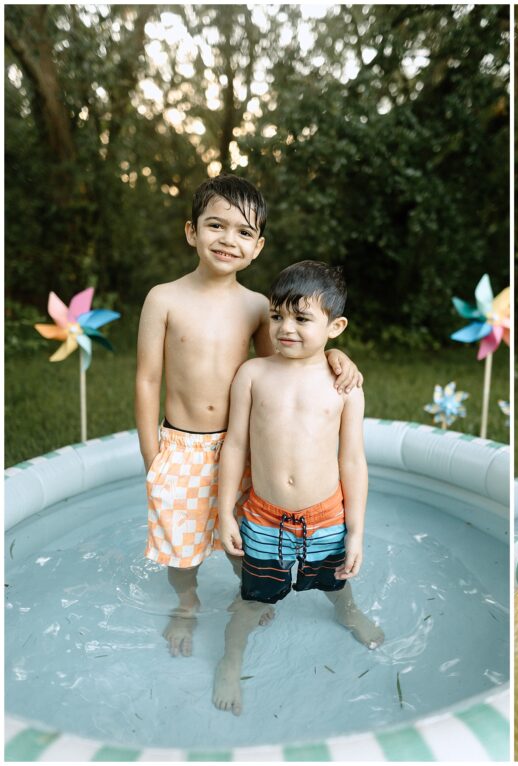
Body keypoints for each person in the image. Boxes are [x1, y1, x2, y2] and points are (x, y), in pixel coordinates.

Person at [136, 174, 361, 657]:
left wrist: (337, 358)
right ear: (191, 231)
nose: (227, 239)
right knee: (183, 542)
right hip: (183, 444)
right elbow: (147, 380)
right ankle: (187, 600)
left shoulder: (259, 306)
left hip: (246, 447)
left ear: (257, 247)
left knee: (247, 535)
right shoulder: (164, 298)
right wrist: (152, 456)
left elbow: (284, 365)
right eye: (215, 225)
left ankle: (253, 590)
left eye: (243, 232)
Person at [213, 260, 383, 715]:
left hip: (325, 517)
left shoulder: (344, 386)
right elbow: (235, 446)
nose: (285, 328)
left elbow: (353, 461)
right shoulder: (253, 375)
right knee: (252, 598)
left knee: (336, 583)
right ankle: (232, 660)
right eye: (277, 315)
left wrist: (356, 532)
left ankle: (347, 613)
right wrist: (226, 511)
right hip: (264, 518)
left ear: (336, 326)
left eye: (302, 318)